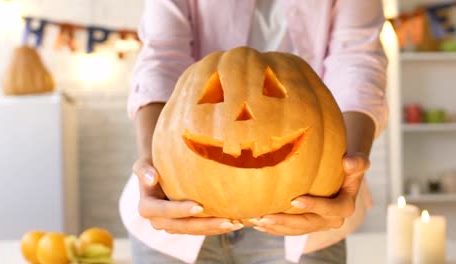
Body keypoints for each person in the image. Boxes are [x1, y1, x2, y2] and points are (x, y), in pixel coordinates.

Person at [119, 0, 388, 263]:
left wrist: (347, 164)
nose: (244, 114)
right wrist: (154, 164)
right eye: (219, 95)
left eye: (269, 92)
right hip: (179, 211)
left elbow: (356, 60)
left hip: (307, 212)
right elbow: (162, 57)